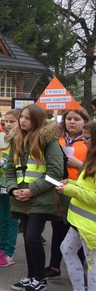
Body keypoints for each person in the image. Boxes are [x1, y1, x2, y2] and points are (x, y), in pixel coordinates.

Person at [6, 104, 64, 291]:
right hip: (21, 199)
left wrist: (31, 191)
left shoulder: (50, 141)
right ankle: (31, 276)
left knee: (32, 237)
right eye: (21, 117)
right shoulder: (16, 140)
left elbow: (56, 173)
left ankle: (40, 278)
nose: (22, 121)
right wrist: (13, 189)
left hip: (40, 198)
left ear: (37, 120)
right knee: (27, 239)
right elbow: (10, 170)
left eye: (27, 118)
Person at [57, 120, 96, 291]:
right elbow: (85, 187)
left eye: (87, 138)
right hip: (80, 222)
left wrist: (70, 190)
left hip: (91, 227)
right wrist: (70, 184)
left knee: (93, 264)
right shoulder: (91, 159)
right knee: (67, 249)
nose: (84, 142)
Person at [49, 108, 91, 279]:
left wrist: (79, 164)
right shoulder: (57, 140)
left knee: (77, 235)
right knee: (57, 230)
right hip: (58, 191)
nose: (71, 122)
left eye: (76, 119)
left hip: (79, 193)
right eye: (68, 119)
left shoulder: (90, 143)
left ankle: (80, 271)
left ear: (85, 122)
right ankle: (53, 266)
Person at [0, 109, 20, 268]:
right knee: (2, 219)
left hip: (12, 187)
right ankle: (2, 248)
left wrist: (5, 165)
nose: (7, 125)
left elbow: (22, 167)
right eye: (5, 122)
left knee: (12, 219)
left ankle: (9, 252)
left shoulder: (21, 141)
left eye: (11, 121)